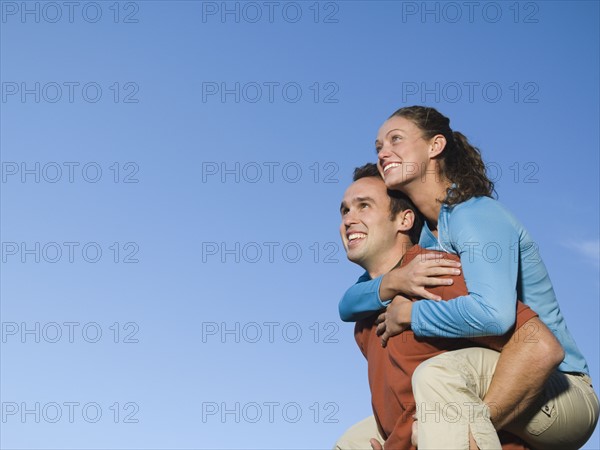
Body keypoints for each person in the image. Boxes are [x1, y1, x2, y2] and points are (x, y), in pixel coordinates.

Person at [338, 106, 599, 449]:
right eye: (379, 147)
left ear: (435, 146)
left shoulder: (473, 215)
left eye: (396, 139)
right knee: (353, 442)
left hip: (557, 382)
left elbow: (497, 316)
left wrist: (412, 314)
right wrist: (392, 283)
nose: (384, 152)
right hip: (499, 369)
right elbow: (348, 304)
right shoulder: (430, 238)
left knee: (437, 378)